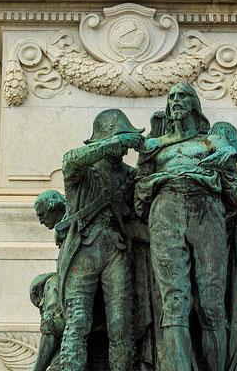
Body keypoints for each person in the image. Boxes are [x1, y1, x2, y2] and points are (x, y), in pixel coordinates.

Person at [135, 83, 237, 370]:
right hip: (166, 211)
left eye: (183, 95)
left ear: (195, 104)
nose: (176, 100)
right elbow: (139, 196)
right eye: (171, 97)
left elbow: (236, 196)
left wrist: (229, 169)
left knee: (212, 304)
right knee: (174, 303)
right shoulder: (152, 147)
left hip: (207, 210)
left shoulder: (213, 142)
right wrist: (159, 182)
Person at [58, 109, 144, 371]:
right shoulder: (82, 171)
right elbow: (69, 160)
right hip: (83, 250)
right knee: (78, 321)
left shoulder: (131, 176)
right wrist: (111, 143)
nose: (125, 147)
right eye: (122, 138)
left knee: (121, 324)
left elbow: (135, 218)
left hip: (116, 252)